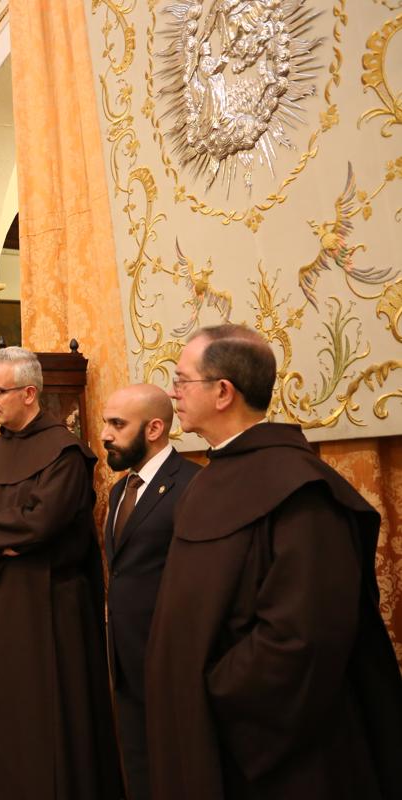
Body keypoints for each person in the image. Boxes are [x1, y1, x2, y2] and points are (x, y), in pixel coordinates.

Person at [146, 324, 402, 800]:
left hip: (269, 752)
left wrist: (213, 695)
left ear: (223, 391)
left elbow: (301, 637)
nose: (172, 392)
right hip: (201, 727)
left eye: (182, 380)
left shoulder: (302, 492)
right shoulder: (208, 479)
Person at [0, 347, 120, 800]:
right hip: (3, 600)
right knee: (9, 714)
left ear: (29, 392)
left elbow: (44, 523)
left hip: (55, 604)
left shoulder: (64, 452)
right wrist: (6, 542)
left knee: (56, 715)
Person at [100, 383, 200, 800]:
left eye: (117, 424)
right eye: (106, 422)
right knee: (139, 768)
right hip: (125, 659)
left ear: (155, 428)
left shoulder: (193, 485)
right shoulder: (120, 490)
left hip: (173, 659)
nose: (105, 433)